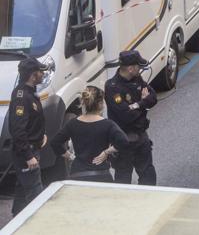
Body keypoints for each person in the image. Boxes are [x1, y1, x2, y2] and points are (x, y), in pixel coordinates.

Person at [51, 86, 129, 182]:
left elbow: (55, 143)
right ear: (100, 104)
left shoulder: (73, 123)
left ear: (84, 103)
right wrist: (106, 152)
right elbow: (124, 141)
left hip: (78, 175)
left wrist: (70, 156)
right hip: (102, 176)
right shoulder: (108, 124)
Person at [105, 50, 158, 185]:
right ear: (130, 68)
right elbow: (126, 116)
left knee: (148, 176)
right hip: (123, 140)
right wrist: (143, 105)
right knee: (123, 180)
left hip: (140, 136)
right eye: (138, 67)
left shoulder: (137, 79)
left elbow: (153, 98)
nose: (140, 69)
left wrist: (138, 104)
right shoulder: (112, 87)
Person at [9, 57, 49, 216]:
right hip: (27, 153)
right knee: (35, 194)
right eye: (40, 72)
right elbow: (18, 130)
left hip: (32, 148)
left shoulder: (29, 92)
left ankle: (16, 220)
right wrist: (28, 156)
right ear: (33, 75)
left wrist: (41, 135)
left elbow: (32, 122)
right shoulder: (22, 96)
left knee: (22, 189)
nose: (42, 74)